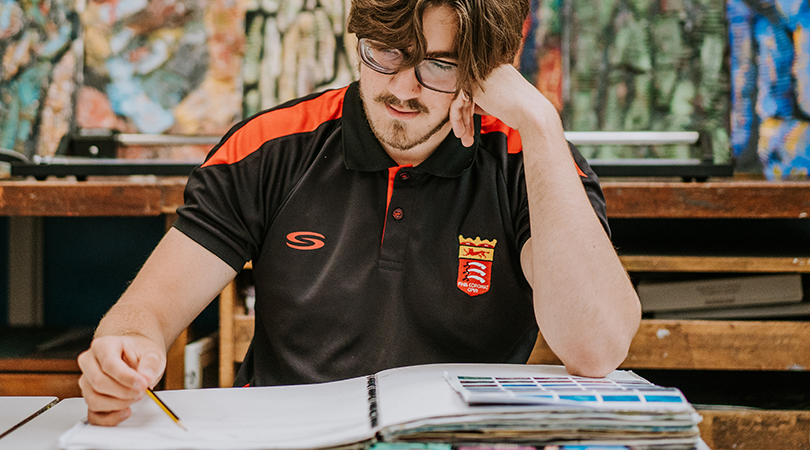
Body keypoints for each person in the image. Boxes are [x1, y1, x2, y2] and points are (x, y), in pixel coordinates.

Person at [78, 0, 641, 426]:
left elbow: (596, 349)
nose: (402, 86)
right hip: (280, 438)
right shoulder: (271, 147)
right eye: (384, 51)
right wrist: (123, 354)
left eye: (439, 65)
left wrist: (540, 124)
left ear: (484, 71)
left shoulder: (529, 160)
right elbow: (142, 317)